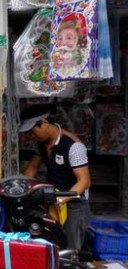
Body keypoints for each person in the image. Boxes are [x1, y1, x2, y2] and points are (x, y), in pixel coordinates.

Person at [19, 104, 91, 251]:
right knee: (51, 244)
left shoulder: (73, 146)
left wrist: (61, 199)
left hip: (73, 205)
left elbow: (84, 181)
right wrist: (20, 188)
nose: (31, 137)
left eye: (32, 132)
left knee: (70, 250)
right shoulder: (41, 144)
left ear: (44, 123)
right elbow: (33, 168)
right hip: (53, 201)